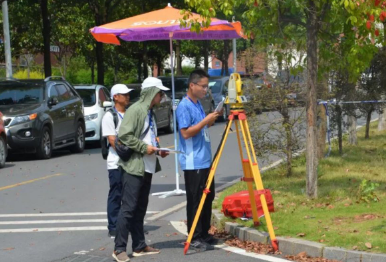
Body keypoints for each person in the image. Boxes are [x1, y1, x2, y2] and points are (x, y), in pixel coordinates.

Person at [112, 77, 170, 262]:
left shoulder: (149, 112)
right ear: (152, 93)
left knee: (140, 208)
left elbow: (148, 138)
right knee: (128, 208)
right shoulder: (136, 110)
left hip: (148, 165)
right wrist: (145, 148)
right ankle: (119, 248)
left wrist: (158, 150)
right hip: (134, 166)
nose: (162, 96)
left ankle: (139, 245)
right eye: (160, 93)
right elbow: (124, 135)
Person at [176, 69, 220, 251]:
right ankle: (193, 235)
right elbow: (185, 133)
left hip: (205, 160)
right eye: (202, 86)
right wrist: (205, 121)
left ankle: (203, 233)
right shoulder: (184, 106)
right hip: (193, 162)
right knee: (195, 199)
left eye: (206, 87)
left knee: (208, 197)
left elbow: (200, 126)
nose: (205, 90)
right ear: (192, 85)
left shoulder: (198, 104)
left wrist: (210, 120)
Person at [101, 84, 133, 239]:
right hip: (116, 163)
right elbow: (113, 141)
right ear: (115, 97)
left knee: (129, 195)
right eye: (124, 94)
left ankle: (127, 225)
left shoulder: (129, 114)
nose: (127, 96)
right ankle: (113, 226)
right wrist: (130, 149)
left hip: (130, 163)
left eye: (128, 94)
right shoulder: (109, 116)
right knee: (116, 194)